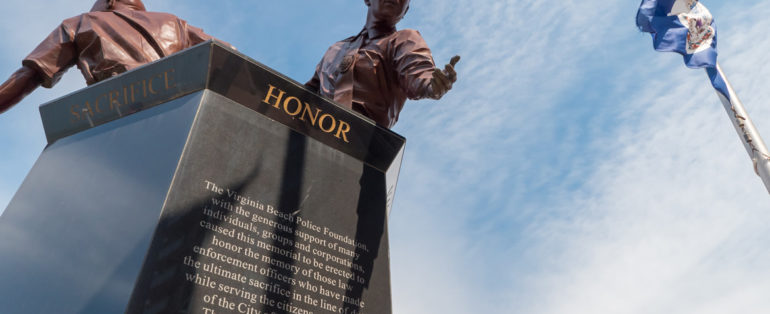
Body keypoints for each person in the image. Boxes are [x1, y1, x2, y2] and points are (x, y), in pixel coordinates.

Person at [0, 0, 227, 114]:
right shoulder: (175, 23)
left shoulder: (82, 23)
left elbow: (28, 76)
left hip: (113, 114)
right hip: (176, 109)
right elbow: (227, 56)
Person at [306, 0, 459, 129]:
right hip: (315, 142)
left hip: (365, 148)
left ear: (405, 10)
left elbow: (419, 72)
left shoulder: (403, 40)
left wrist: (432, 85)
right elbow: (301, 96)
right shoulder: (335, 50)